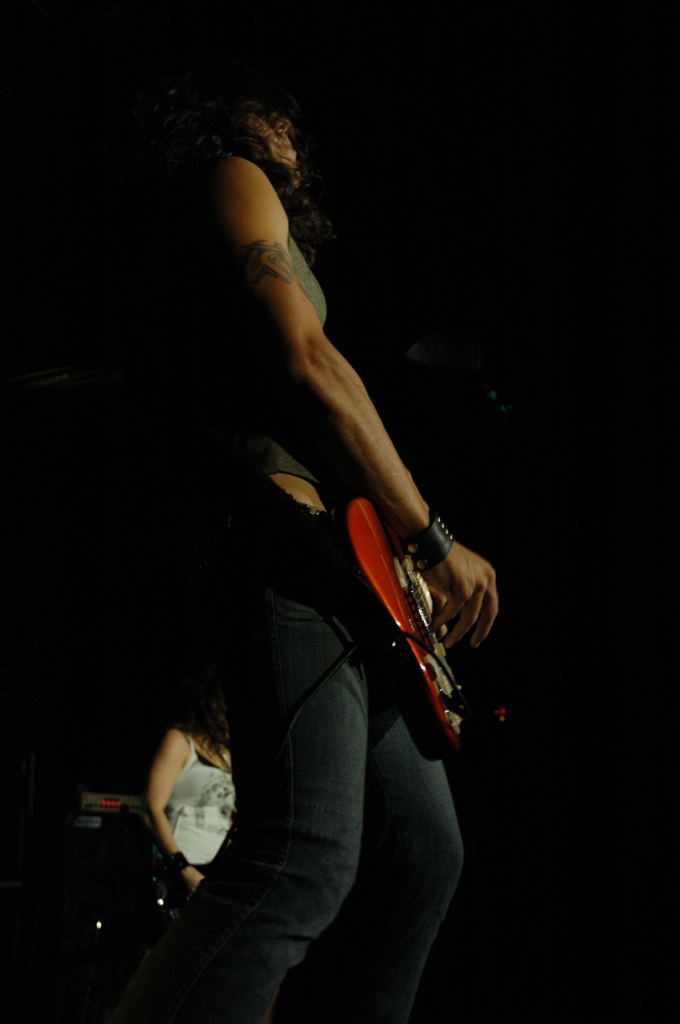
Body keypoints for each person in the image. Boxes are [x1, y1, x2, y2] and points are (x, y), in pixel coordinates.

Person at [111, 54, 498, 1024]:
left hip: (333, 561)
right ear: (227, 119)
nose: (292, 137)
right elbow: (307, 359)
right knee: (300, 856)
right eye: (272, 117)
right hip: (279, 541)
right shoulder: (228, 174)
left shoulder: (250, 211)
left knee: (422, 855)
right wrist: (431, 534)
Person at [144, 670, 236, 915]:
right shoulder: (180, 741)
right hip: (183, 865)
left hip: (219, 866)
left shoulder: (225, 754)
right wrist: (183, 869)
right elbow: (152, 808)